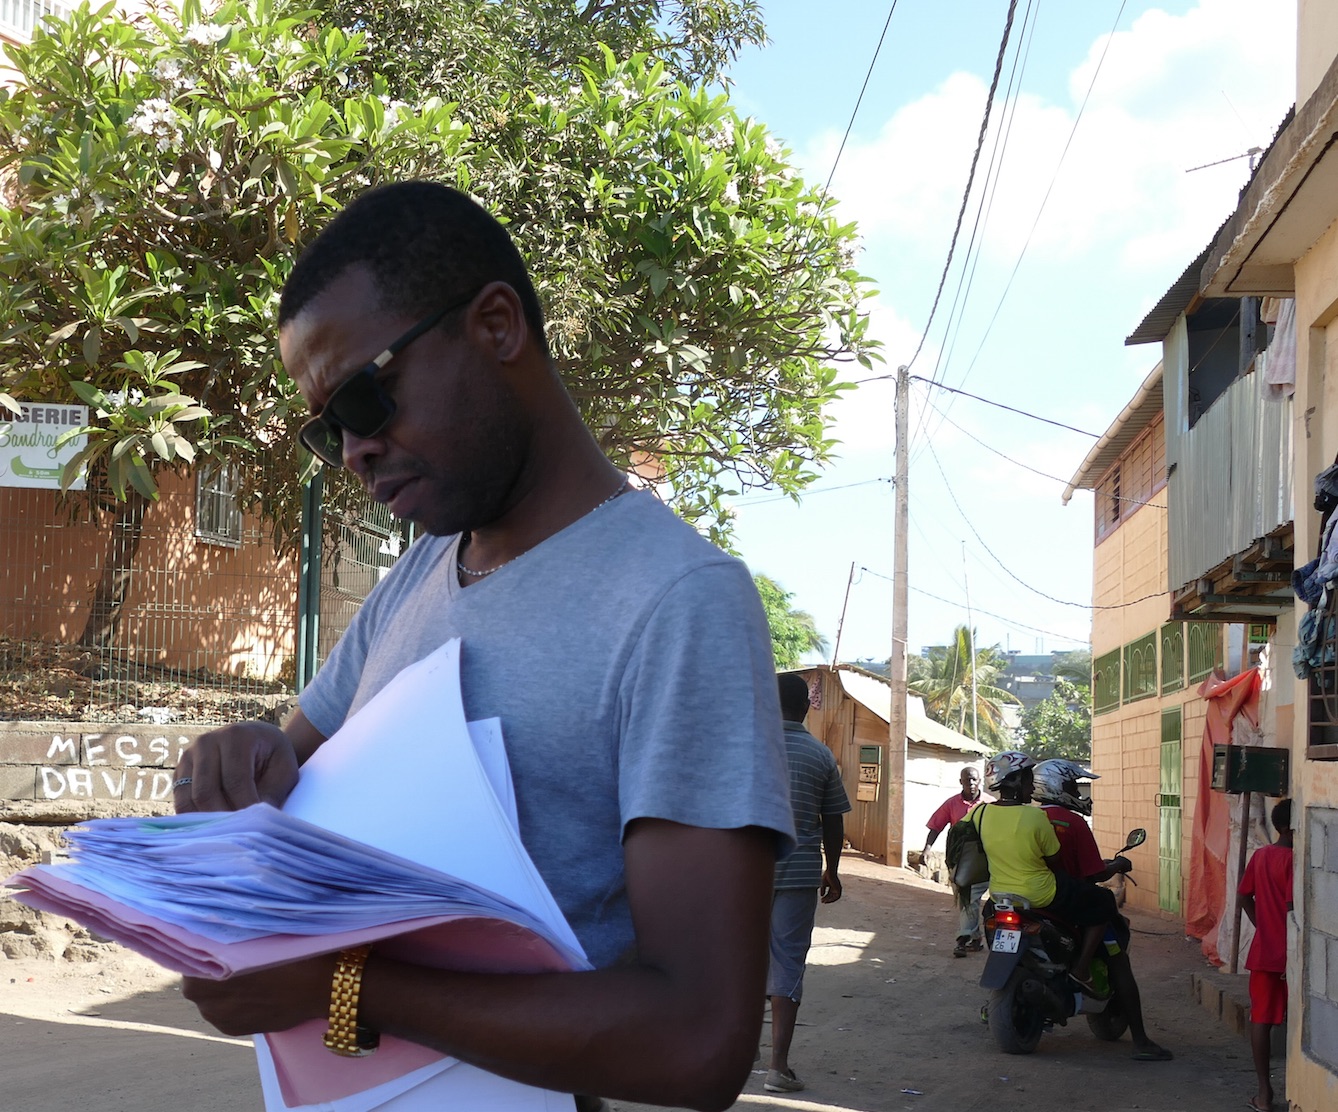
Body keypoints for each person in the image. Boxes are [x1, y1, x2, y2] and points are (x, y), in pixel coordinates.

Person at [170, 181, 797, 1112]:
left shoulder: (678, 601)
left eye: (365, 398)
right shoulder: (420, 573)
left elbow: (696, 1041)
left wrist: (344, 989)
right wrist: (245, 758)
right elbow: (293, 765)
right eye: (327, 429)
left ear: (496, 326)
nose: (353, 450)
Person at [1032, 759, 1172, 1061]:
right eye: (1073, 785)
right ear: (1057, 786)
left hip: (1032, 900)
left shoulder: (1028, 818)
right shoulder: (1073, 822)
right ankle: (1140, 1040)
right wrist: (1118, 864)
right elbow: (1093, 873)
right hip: (1070, 903)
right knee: (1119, 959)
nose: (1078, 792)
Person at [765, 673, 851, 1094]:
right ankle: (778, 1068)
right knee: (787, 963)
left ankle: (734, 1051)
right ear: (805, 708)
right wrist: (832, 869)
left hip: (745, 874)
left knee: (741, 960)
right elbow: (833, 821)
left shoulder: (745, 749)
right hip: (799, 874)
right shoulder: (820, 755)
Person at [973, 751, 1117, 994]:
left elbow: (965, 844)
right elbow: (1055, 860)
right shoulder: (1035, 816)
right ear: (1017, 781)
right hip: (1042, 894)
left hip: (999, 895)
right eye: (1029, 779)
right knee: (1103, 900)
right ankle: (1082, 968)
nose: (1032, 786)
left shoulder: (979, 814)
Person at [1239, 798, 1294, 1112]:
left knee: (1261, 1019)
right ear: (1289, 827)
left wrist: (1263, 925)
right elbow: (1293, 910)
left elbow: (1244, 896)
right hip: (1290, 954)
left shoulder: (1260, 856)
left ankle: (1264, 1093)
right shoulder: (1294, 860)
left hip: (1264, 952)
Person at [922, 765, 991, 957]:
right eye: (967, 779)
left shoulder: (990, 804)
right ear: (961, 782)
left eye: (974, 779)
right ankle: (974, 938)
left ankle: (963, 939)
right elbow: (936, 826)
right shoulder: (952, 804)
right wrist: (927, 849)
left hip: (984, 859)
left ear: (980, 781)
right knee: (966, 899)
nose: (971, 783)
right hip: (959, 860)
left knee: (971, 897)